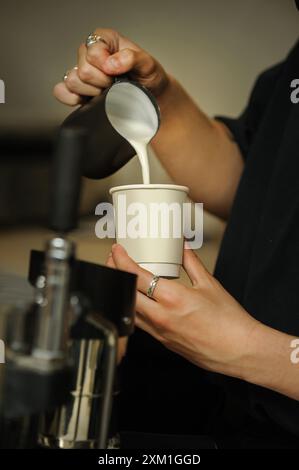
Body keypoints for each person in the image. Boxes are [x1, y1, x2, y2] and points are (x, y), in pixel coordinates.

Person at [54, 20, 299, 448]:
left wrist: (253, 350)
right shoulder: (288, 69)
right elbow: (252, 182)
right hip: (236, 406)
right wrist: (158, 91)